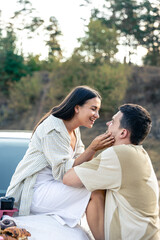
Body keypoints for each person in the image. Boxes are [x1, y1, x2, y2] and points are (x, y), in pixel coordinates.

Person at [6, 85, 114, 228]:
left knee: (99, 186)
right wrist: (93, 148)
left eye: (98, 110)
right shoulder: (53, 128)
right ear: (77, 108)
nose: (97, 115)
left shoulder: (74, 130)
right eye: (93, 109)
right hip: (36, 190)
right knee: (94, 190)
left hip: (56, 185)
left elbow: (81, 163)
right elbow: (64, 172)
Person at [63, 103, 160, 240]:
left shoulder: (120, 154)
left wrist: (93, 148)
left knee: (91, 190)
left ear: (123, 133)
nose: (108, 123)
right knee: (95, 188)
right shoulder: (138, 154)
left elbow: (68, 178)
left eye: (113, 122)